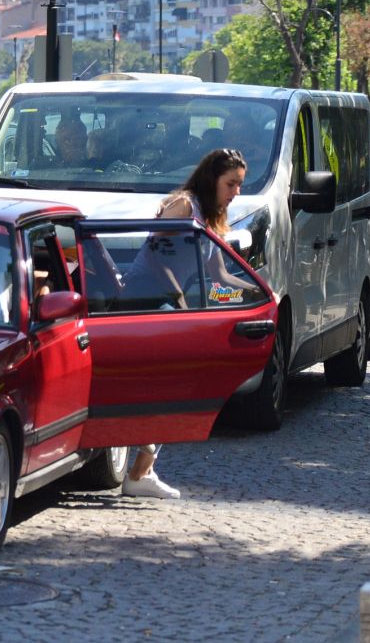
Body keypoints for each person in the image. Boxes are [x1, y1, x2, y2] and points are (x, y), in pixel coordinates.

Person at [118, 148, 250, 501]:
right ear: (212, 180)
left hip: (170, 306)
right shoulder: (183, 206)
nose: (236, 191)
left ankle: (141, 469)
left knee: (172, 387)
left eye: (239, 185)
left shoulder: (209, 218)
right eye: (231, 184)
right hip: (143, 300)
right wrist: (178, 297)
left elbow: (220, 274)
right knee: (168, 385)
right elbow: (156, 252)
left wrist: (259, 291)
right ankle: (136, 468)